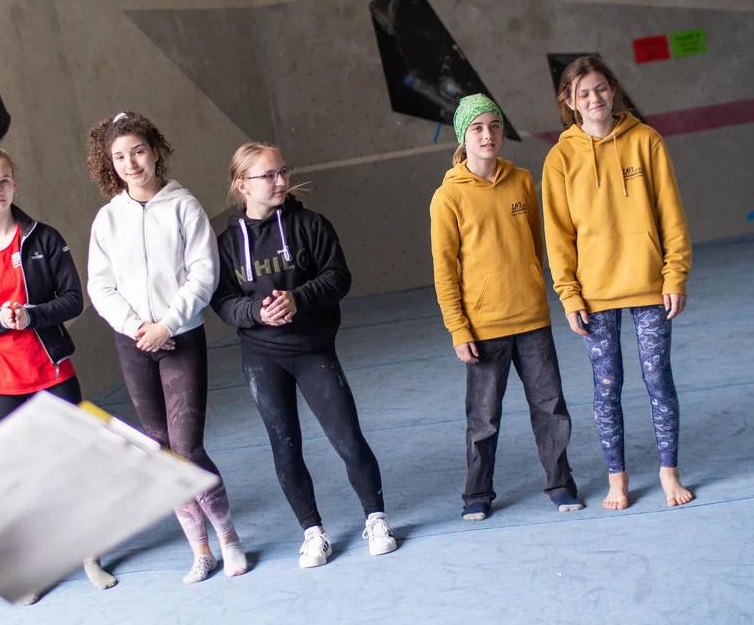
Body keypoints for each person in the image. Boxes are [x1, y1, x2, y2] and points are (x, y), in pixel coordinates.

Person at [0, 146, 117, 597]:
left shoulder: (44, 238)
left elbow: (74, 299)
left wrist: (33, 314)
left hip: (50, 370)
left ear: (14, 185)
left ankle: (89, 555)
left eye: (3, 181)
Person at [210, 142, 397, 568]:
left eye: (283, 172)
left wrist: (299, 299)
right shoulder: (225, 245)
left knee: (347, 438)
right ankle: (313, 532)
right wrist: (255, 311)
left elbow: (338, 277)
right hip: (263, 358)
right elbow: (222, 300)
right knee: (285, 448)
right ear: (242, 185)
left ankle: (377, 518)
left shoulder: (311, 225)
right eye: (268, 175)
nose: (281, 182)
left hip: (314, 351)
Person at [86, 111, 247, 583]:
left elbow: (203, 273)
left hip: (180, 337)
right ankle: (200, 550)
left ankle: (228, 539)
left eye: (137, 151)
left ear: (155, 151)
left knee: (188, 447)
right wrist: (137, 326)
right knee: (161, 453)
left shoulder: (184, 206)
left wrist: (168, 323)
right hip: (133, 341)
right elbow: (101, 286)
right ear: (109, 163)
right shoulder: (108, 219)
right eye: (119, 156)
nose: (131, 162)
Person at [542, 56, 695, 510]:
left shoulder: (646, 140)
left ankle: (669, 472)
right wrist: (569, 294)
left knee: (658, 379)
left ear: (614, 91)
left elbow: (671, 213)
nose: (594, 99)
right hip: (595, 294)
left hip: (649, 285)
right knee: (606, 386)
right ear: (569, 102)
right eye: (583, 93)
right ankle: (618, 479)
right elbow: (558, 236)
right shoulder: (560, 158)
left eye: (601, 89)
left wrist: (675, 273)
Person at [429, 94, 582, 522]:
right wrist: (459, 328)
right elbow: (445, 271)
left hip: (532, 319)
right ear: (464, 135)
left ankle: (560, 483)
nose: (487, 135)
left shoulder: (521, 182)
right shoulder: (447, 198)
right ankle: (476, 493)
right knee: (483, 419)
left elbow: (537, 244)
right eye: (477, 128)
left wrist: (538, 286)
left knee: (551, 408)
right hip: (483, 327)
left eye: (494, 126)